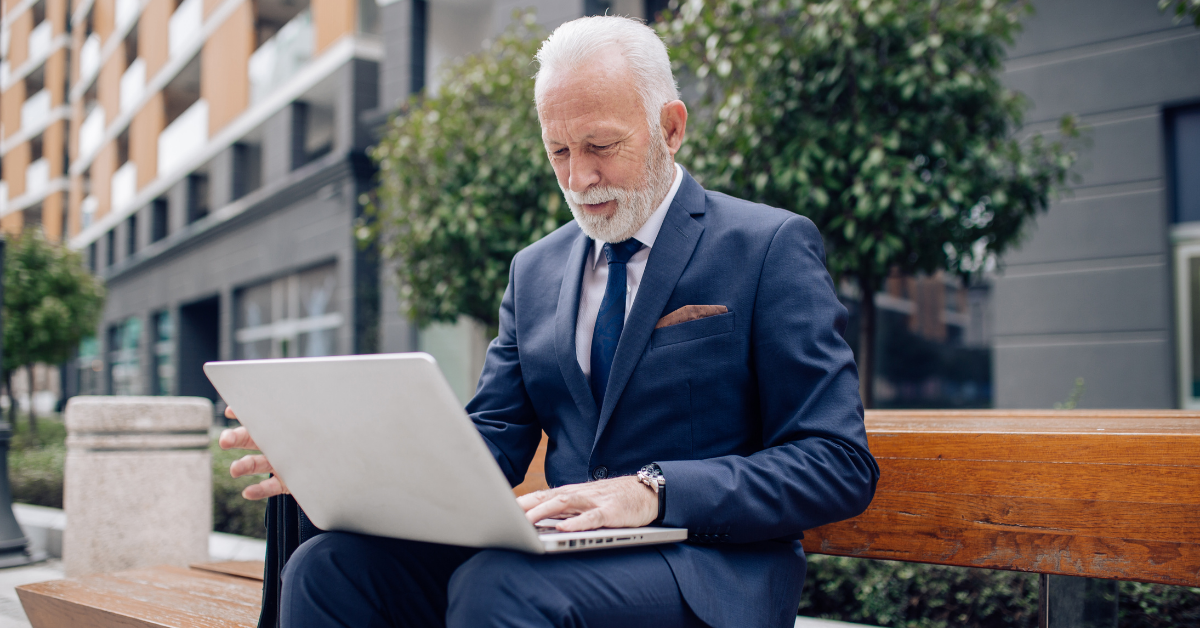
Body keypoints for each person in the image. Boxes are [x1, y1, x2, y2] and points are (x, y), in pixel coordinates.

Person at [221, 15, 878, 628]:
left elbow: (837, 462)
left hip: (705, 571)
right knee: (327, 568)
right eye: (558, 150)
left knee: (499, 585)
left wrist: (652, 491)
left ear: (671, 128)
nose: (580, 177)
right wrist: (334, 459)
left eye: (600, 145)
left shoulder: (768, 247)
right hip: (563, 557)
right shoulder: (535, 270)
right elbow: (491, 444)